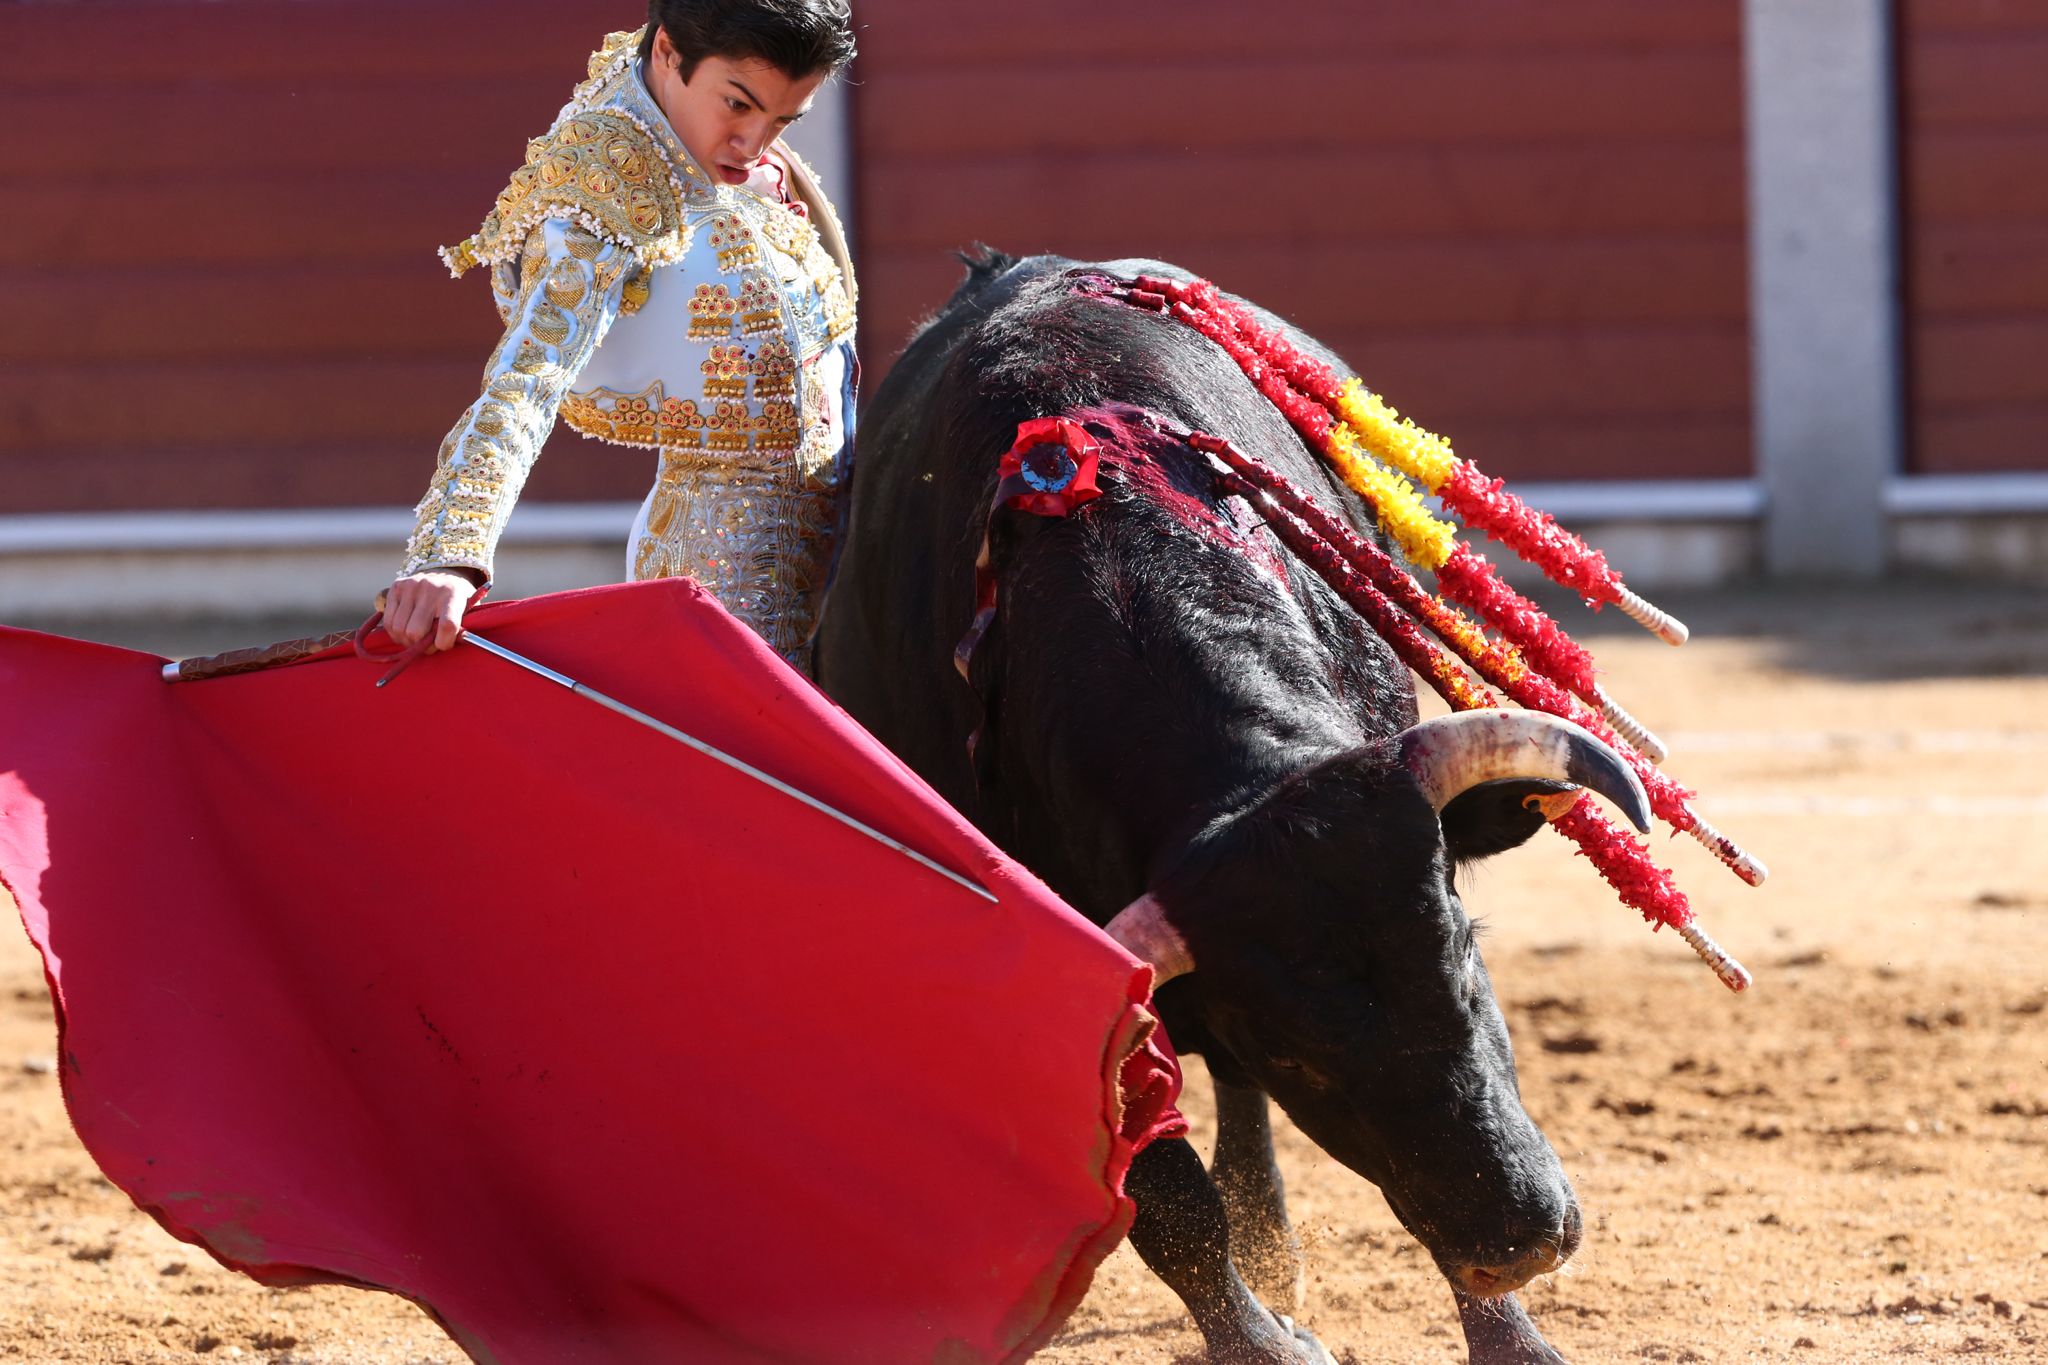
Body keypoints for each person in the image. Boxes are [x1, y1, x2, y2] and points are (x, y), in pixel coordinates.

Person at [381, 0, 859, 670]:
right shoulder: (600, 185)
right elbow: (528, 379)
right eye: (739, 105)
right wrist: (450, 554)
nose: (754, 145)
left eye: (781, 121)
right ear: (667, 53)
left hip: (846, 551)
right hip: (725, 573)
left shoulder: (688, 102)